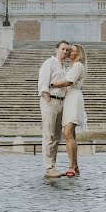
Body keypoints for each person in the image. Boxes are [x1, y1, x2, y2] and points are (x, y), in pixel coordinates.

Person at [51, 44, 87, 178]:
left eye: (72, 51)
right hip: (68, 98)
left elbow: (68, 82)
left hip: (73, 99)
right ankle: (75, 166)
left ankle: (72, 166)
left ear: (78, 54)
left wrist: (51, 84)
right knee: (70, 134)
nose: (68, 52)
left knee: (67, 133)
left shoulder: (78, 66)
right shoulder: (71, 66)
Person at [38, 40, 71, 178]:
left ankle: (53, 167)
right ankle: (48, 168)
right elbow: (43, 83)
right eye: (63, 49)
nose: (65, 52)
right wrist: (48, 100)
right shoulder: (49, 63)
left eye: (67, 50)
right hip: (51, 101)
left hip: (62, 102)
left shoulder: (65, 67)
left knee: (57, 136)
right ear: (57, 49)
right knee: (49, 135)